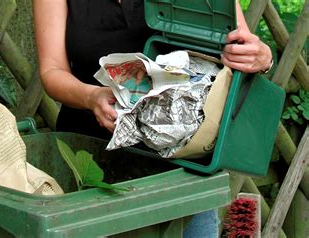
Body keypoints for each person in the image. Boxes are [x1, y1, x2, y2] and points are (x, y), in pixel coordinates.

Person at [34, 0, 272, 237]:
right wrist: (90, 96)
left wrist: (261, 57)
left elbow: (241, 43)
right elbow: (52, 69)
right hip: (92, 161)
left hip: (182, 166)